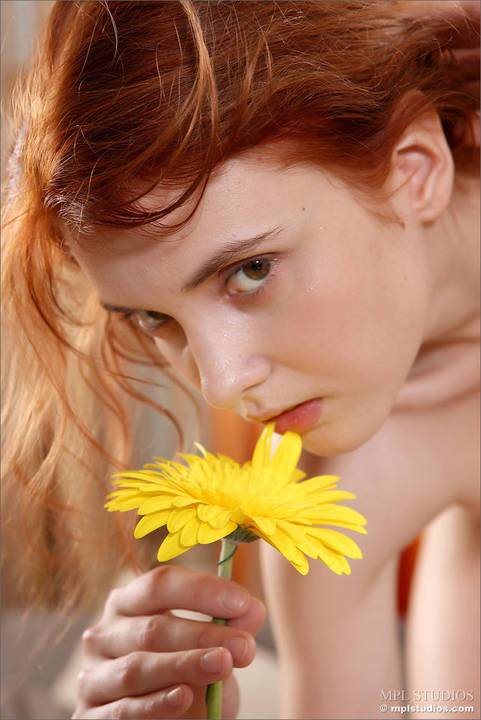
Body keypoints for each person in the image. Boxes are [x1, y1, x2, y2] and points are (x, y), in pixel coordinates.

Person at [2, 1, 479, 718]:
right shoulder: (339, 507)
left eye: (251, 270)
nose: (221, 386)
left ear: (415, 171)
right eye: (153, 318)